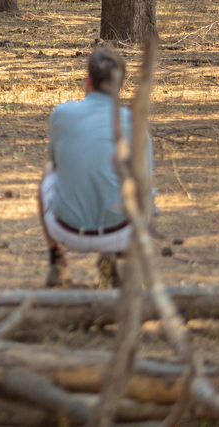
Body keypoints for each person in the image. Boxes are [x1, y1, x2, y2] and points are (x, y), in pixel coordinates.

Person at [39, 46, 153, 288]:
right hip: (121, 231)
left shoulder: (61, 114)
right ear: (120, 85)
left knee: (49, 171)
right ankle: (112, 256)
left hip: (67, 229)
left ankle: (57, 262)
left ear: (87, 80)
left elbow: (56, 163)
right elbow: (147, 188)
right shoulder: (134, 123)